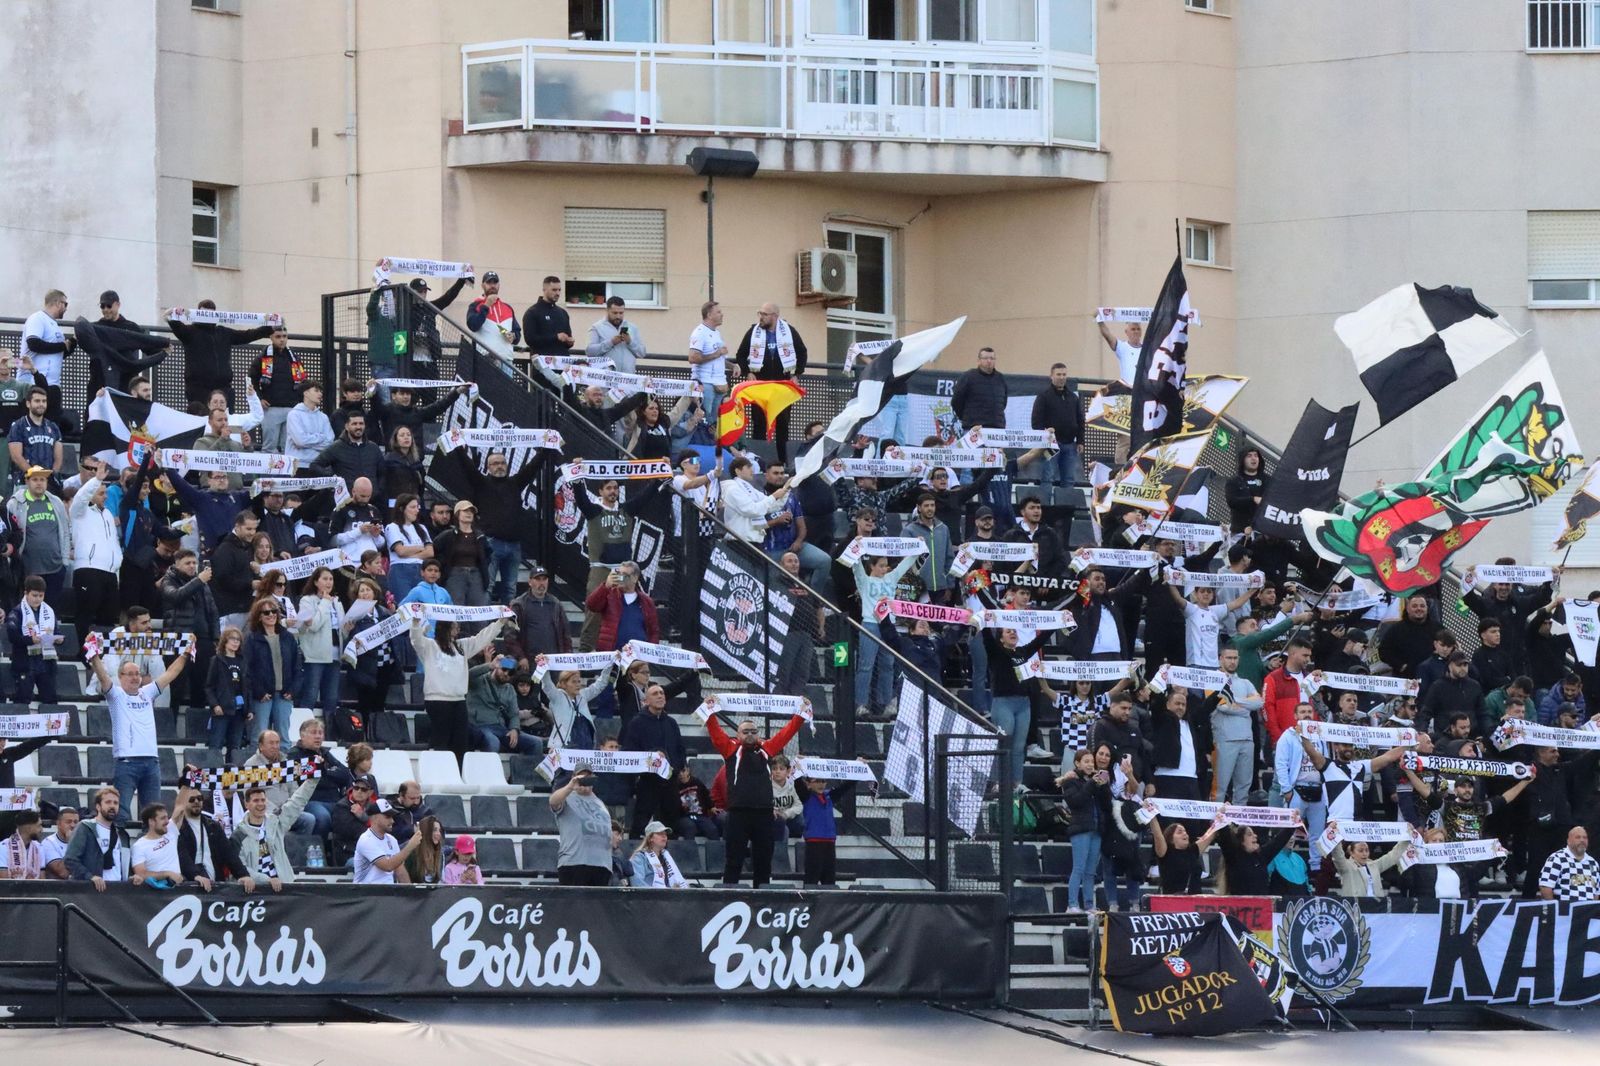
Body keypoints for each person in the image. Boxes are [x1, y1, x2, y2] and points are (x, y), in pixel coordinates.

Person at [703, 712, 808, 888]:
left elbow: (786, 733)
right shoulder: (730, 749)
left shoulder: (767, 750)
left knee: (764, 862)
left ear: (758, 734)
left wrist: (801, 715)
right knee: (733, 860)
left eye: (754, 731)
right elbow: (714, 731)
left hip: (764, 815)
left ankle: (762, 900)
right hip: (738, 814)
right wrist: (710, 711)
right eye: (745, 732)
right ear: (737, 735)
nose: (750, 734)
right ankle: (728, 898)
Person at [88, 638, 187, 820]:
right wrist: (93, 653)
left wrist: (186, 652)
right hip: (126, 763)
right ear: (120, 677)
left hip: (151, 762)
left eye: (137, 673)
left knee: (153, 814)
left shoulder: (147, 692)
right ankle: (121, 848)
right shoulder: (115, 695)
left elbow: (172, 672)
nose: (135, 677)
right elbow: (102, 674)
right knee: (121, 814)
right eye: (130, 674)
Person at [409, 611, 508, 767]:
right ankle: (437, 772)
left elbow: (480, 639)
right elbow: (415, 640)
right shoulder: (430, 646)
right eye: (454, 626)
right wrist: (415, 623)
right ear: (445, 627)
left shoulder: (461, 646)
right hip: (437, 700)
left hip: (459, 700)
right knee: (441, 740)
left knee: (460, 742)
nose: (457, 629)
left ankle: (458, 773)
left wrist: (500, 623)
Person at [167, 299, 276, 410]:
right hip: (198, 390)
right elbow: (174, 323)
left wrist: (269, 327)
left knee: (224, 422)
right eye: (205, 314)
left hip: (223, 389)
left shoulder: (223, 332)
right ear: (198, 314)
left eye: (211, 314)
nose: (207, 317)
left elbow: (247, 335)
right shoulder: (190, 332)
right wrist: (172, 314)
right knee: (201, 423)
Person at [734, 302, 808, 460]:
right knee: (759, 422)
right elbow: (740, 354)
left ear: (774, 316)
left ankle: (783, 461)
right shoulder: (753, 331)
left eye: (764, 314)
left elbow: (802, 352)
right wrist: (747, 372)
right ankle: (758, 460)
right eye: (759, 313)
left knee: (783, 424)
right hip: (760, 386)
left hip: (782, 386)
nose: (761, 317)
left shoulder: (789, 331)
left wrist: (797, 375)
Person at [233, 778, 318, 891]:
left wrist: (313, 780)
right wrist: (267, 880)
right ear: (246, 804)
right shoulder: (238, 834)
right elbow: (241, 868)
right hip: (256, 891)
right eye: (256, 801)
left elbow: (296, 802)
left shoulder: (275, 823)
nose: (260, 804)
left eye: (263, 800)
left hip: (284, 887)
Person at [172, 787, 254, 892]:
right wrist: (195, 876)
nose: (196, 801)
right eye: (191, 799)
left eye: (199, 798)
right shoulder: (178, 828)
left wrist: (243, 875)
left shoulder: (213, 826)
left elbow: (228, 853)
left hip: (215, 884)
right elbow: (182, 855)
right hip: (190, 885)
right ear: (183, 803)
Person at [7, 465, 69, 601]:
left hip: (55, 568)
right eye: (35, 479)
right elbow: (9, 533)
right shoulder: (15, 503)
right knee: (27, 611)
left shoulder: (55, 502)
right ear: (27, 482)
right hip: (28, 569)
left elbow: (65, 531)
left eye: (42, 479)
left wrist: (64, 561)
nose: (39, 483)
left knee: (52, 610)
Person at [245, 596, 302, 741]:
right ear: (259, 617)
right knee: (259, 737)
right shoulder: (252, 639)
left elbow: (297, 666)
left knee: (283, 738)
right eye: (266, 613)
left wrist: (293, 690)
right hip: (262, 696)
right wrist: (259, 691)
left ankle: (282, 763)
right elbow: (248, 669)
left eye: (273, 611)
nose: (271, 615)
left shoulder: (288, 637)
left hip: (284, 695)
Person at [1057, 748, 1107, 911]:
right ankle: (1072, 904)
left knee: (1091, 871)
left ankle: (1088, 904)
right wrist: (1093, 783)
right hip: (1081, 829)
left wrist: (1103, 785)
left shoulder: (1094, 780)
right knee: (1079, 867)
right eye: (1086, 761)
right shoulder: (1070, 781)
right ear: (1077, 763)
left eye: (1091, 762)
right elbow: (1076, 801)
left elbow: (1105, 802)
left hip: (1095, 828)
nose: (1089, 764)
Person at [550, 768, 615, 885]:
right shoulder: (567, 797)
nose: (584, 781)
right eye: (581, 777)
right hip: (575, 862)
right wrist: (571, 786)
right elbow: (553, 801)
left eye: (588, 778)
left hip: (602, 864)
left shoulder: (600, 803)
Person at [248, 324, 306, 454]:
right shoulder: (263, 357)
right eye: (278, 337)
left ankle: (288, 475)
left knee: (289, 449)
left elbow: (302, 381)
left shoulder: (294, 358)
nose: (282, 340)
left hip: (292, 408)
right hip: (271, 407)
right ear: (271, 337)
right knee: (269, 448)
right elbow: (252, 380)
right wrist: (260, 399)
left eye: (284, 336)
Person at [7, 575, 63, 704]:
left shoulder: (49, 611)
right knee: (22, 700)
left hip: (46, 663)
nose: (38, 599)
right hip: (25, 663)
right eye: (34, 595)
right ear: (26, 593)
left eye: (41, 596)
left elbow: (57, 632)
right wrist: (31, 640)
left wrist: (59, 640)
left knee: (50, 700)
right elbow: (12, 637)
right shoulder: (17, 612)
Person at [541, 660, 618, 752]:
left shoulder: (583, 695)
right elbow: (547, 685)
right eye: (574, 682)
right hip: (565, 746)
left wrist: (609, 664)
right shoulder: (557, 697)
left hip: (586, 743)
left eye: (579, 681)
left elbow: (600, 685)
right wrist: (543, 666)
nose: (578, 685)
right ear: (563, 684)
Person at [21, 290, 73, 424]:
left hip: (53, 384)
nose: (66, 308)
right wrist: (62, 346)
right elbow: (34, 344)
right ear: (57, 303)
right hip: (34, 382)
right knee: (33, 426)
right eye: (65, 304)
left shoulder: (54, 325)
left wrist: (72, 344)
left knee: (51, 429)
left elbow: (57, 354)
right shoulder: (37, 318)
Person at [64, 787, 131, 888]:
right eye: (108, 802)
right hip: (92, 891)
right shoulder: (85, 827)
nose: (112, 806)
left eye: (115, 803)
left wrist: (131, 877)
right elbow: (70, 860)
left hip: (117, 890)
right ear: (98, 806)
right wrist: (90, 877)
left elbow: (123, 864)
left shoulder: (121, 834)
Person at [469, 655, 535, 754]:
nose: (506, 674)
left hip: (501, 728)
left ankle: (524, 769)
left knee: (535, 743)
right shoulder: (479, 680)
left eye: (511, 673)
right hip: (480, 726)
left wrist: (514, 729)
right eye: (504, 669)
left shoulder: (510, 689)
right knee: (493, 742)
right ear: (497, 667)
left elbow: (514, 714)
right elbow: (468, 675)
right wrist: (489, 666)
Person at [1031, 363, 1083, 490]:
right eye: (1058, 374)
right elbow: (1036, 422)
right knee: (1047, 478)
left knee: (1069, 480)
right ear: (1051, 376)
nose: (1061, 377)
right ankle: (1045, 509)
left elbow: (1080, 420)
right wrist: (1045, 434)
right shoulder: (1043, 396)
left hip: (1070, 445)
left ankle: (1068, 509)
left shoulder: (1073, 397)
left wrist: (1081, 441)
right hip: (1051, 445)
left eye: (1064, 374)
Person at [204, 626, 250, 759]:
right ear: (225, 641)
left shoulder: (243, 661)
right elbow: (209, 686)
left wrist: (249, 708)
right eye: (232, 639)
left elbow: (247, 686)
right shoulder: (217, 660)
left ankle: (232, 775)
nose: (236, 642)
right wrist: (215, 705)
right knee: (215, 744)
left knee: (235, 746)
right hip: (222, 709)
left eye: (238, 640)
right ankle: (213, 773)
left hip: (239, 710)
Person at [353, 799, 422, 884]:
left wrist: (409, 893)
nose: (392, 821)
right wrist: (410, 846)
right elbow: (388, 866)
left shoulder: (392, 840)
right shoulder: (366, 839)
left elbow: (400, 872)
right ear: (374, 818)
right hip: (365, 892)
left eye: (392, 817)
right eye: (387, 817)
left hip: (386, 892)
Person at [1149, 814, 1222, 894]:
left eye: (1185, 831)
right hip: (1172, 901)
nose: (1185, 834)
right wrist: (1151, 814)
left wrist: (1221, 815)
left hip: (1195, 901)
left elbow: (1211, 834)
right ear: (1170, 839)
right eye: (1180, 832)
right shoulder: (1165, 853)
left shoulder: (1192, 850)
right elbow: (1158, 835)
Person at [1216, 824, 1297, 896]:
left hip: (1261, 909)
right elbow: (1225, 837)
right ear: (1240, 841)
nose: (1255, 836)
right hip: (1239, 909)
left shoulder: (1261, 856)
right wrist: (1222, 818)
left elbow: (1278, 841)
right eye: (1249, 834)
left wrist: (1293, 823)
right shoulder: (1233, 857)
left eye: (1254, 833)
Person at [7, 388, 63, 491]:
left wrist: (50, 476)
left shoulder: (53, 427)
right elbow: (16, 456)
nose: (41, 404)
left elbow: (58, 457)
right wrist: (34, 476)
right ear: (28, 403)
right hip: (24, 482)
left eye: (44, 401)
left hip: (48, 483)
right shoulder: (18, 426)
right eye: (37, 401)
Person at [585, 295, 647, 373]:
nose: (618, 316)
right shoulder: (597, 327)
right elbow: (590, 352)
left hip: (627, 379)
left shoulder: (632, 327)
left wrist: (630, 342)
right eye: (615, 313)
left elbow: (642, 353)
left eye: (621, 313)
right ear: (607, 310)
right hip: (606, 378)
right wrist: (611, 342)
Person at [466, 270, 520, 357]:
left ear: (499, 285)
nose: (492, 286)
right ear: (482, 285)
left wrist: (513, 336)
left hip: (506, 360)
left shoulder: (508, 308)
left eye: (495, 283)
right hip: (484, 360)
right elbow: (473, 326)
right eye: (489, 283)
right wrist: (486, 306)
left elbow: (517, 333)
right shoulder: (475, 305)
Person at [128, 802, 184, 888]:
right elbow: (140, 874)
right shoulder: (139, 846)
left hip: (178, 890)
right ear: (151, 822)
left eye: (167, 817)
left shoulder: (170, 832)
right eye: (163, 818)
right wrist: (167, 874)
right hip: (155, 895)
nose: (167, 821)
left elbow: (181, 806)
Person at [1331, 838, 1406, 899]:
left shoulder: (1374, 865)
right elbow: (1338, 856)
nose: (1364, 853)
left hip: (1376, 909)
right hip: (1356, 909)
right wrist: (1335, 838)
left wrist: (1406, 839)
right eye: (1360, 851)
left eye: (1367, 850)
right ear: (1352, 853)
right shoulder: (1346, 866)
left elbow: (1393, 856)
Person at [687, 300, 731, 399]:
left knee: (716, 414)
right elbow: (693, 358)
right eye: (718, 312)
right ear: (709, 315)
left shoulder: (716, 333)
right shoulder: (699, 333)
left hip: (719, 383)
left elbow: (718, 359)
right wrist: (717, 353)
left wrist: (732, 366)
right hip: (705, 383)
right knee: (706, 414)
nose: (722, 315)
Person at [523, 275, 574, 356]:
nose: (557, 293)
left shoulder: (563, 313)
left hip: (562, 363)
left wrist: (569, 342)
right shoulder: (532, 312)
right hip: (543, 363)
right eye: (554, 290)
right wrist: (556, 337)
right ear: (544, 290)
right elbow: (530, 340)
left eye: (559, 290)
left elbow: (568, 339)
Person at [286, 382, 336, 466]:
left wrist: (306, 442)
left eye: (321, 391)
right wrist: (321, 437)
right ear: (305, 393)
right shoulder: (294, 414)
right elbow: (300, 441)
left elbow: (329, 442)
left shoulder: (323, 417)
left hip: (318, 464)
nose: (320, 394)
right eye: (316, 391)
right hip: (298, 465)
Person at [630, 820, 689, 888]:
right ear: (650, 838)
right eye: (660, 833)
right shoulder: (639, 857)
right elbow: (637, 883)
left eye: (665, 834)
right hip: (649, 897)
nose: (664, 836)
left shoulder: (666, 857)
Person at [1097, 318, 1143, 385]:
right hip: (1127, 390)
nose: (1136, 332)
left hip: (1143, 391)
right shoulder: (1122, 347)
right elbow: (1107, 335)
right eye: (1133, 329)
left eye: (1138, 329)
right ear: (1126, 332)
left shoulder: (1147, 348)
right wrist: (1099, 320)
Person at [0, 810, 44, 879]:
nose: (42, 830)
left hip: (35, 889)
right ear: (29, 828)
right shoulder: (3, 847)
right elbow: (3, 881)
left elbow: (43, 880)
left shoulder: (39, 847)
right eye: (39, 826)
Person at [39, 806, 78, 880]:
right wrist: (71, 843)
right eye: (68, 822)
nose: (73, 825)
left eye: (76, 822)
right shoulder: (48, 842)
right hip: (59, 888)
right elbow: (63, 873)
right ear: (58, 824)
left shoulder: (83, 841)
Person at [406, 815, 445, 884]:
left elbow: (441, 882)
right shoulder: (412, 853)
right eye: (434, 830)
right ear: (426, 831)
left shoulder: (440, 855)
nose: (439, 834)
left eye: (440, 830)